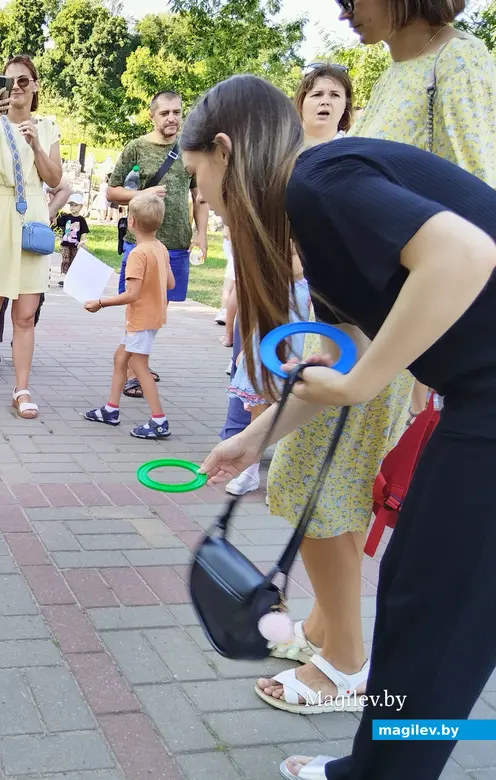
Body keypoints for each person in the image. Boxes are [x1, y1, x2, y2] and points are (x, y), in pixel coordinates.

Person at [186, 73, 496, 780]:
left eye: (204, 184)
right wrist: (251, 439)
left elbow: (466, 255)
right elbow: (337, 355)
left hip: (485, 398)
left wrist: (365, 381)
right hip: (477, 398)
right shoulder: (316, 220)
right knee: (432, 612)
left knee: (433, 620)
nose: (211, 208)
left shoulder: (319, 180)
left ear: (226, 149)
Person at [256, 4, 496, 728]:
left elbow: (480, 208)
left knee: (310, 477)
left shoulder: (459, 64)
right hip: (371, 321)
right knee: (326, 480)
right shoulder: (395, 72)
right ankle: (332, 631)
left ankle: (345, 665)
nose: (342, 8)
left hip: (411, 332)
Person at [223, 63, 352, 498]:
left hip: (333, 290)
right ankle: (249, 462)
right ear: (301, 103)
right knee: (265, 365)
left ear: (347, 106)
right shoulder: (284, 154)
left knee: (320, 372)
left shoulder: (352, 156)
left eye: (335, 95)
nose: (325, 102)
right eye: (317, 94)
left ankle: (295, 452)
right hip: (281, 280)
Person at [0, 55, 62, 417]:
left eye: (24, 81)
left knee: (25, 315)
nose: (16, 87)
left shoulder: (47, 128)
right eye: (10, 81)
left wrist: (35, 145)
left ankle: (21, 387)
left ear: (35, 86)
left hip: (33, 217)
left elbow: (53, 179)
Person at [107, 90, 209, 394]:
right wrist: (142, 195)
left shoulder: (189, 149)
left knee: (156, 310)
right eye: (165, 113)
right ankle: (132, 370)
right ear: (152, 115)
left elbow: (199, 195)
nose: (172, 118)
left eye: (177, 112)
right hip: (140, 244)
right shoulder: (136, 148)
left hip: (175, 245)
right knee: (138, 309)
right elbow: (112, 192)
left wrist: (201, 234)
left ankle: (138, 361)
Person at [81, 191, 174, 439]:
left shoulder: (138, 254)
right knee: (121, 358)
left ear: (131, 222)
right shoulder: (160, 248)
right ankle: (111, 409)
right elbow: (171, 283)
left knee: (138, 366)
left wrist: (101, 302)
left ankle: (159, 420)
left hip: (141, 319)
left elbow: (131, 294)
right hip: (152, 317)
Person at [0, 177, 71, 373]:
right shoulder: (1, 163)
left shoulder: (40, 168)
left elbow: (64, 187)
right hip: (2, 236)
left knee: (34, 298)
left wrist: (47, 213)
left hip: (32, 239)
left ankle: (19, 342)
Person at [56, 192, 89, 278]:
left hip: (75, 245)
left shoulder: (81, 220)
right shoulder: (66, 217)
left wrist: (83, 242)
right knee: (65, 259)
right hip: (65, 244)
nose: (72, 207)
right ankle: (63, 274)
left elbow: (83, 232)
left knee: (73, 260)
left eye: (75, 205)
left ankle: (70, 276)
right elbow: (57, 222)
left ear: (81, 206)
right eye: (71, 205)